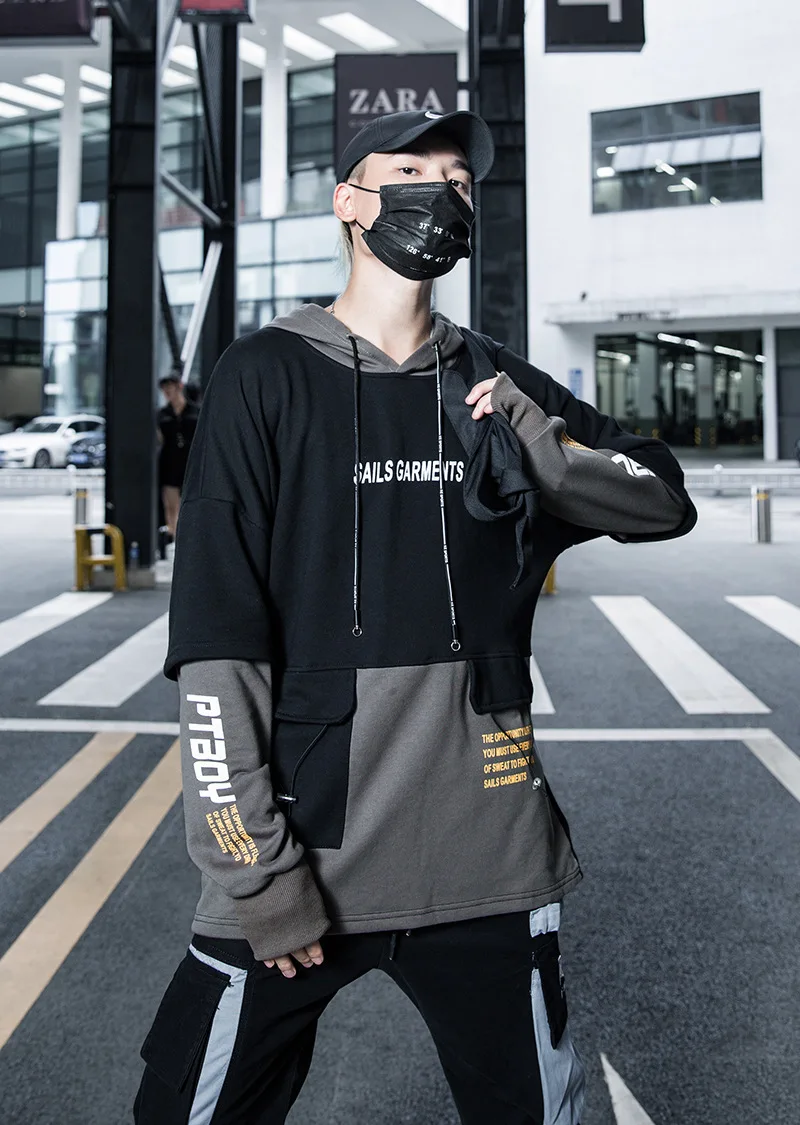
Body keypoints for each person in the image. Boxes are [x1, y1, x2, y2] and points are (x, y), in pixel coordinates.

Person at [134, 109, 697, 1125]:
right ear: (350, 203)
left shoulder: (496, 385)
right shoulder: (263, 376)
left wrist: (547, 453)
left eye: (458, 180)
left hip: (489, 856)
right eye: (410, 171)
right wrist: (254, 872)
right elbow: (218, 647)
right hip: (305, 857)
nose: (441, 193)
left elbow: (661, 497)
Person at [156, 374, 200, 540]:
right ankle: (173, 535)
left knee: (191, 500)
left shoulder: (195, 411)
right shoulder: (162, 414)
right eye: (164, 389)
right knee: (171, 504)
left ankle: (190, 536)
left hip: (191, 460)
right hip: (170, 460)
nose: (167, 392)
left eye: (170, 387)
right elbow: (159, 437)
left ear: (179, 387)